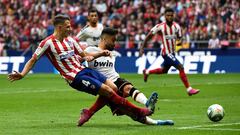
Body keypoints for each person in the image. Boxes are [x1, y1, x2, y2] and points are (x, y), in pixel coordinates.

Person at [7, 14, 154, 126]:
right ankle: (138, 111)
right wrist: (22, 74)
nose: (70, 28)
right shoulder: (47, 43)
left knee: (114, 88)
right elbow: (33, 59)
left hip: (84, 70)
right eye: (68, 26)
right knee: (108, 92)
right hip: (74, 78)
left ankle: (94, 111)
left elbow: (85, 56)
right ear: (59, 27)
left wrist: (100, 53)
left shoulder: (71, 40)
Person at [80, 27, 174, 126]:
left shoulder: (112, 54)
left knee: (128, 88)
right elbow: (80, 60)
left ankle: (147, 103)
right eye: (113, 40)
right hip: (104, 86)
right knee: (129, 112)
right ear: (104, 39)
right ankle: (155, 122)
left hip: (115, 79)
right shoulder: (90, 49)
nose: (115, 43)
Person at [139, 8, 199, 96]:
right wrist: (142, 47)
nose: (170, 17)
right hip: (166, 53)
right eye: (168, 15)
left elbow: (179, 38)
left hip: (172, 53)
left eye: (171, 15)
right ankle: (189, 89)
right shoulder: (160, 26)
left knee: (164, 70)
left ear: (173, 16)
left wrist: (180, 39)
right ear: (165, 16)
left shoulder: (176, 27)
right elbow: (149, 36)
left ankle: (147, 72)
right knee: (180, 67)